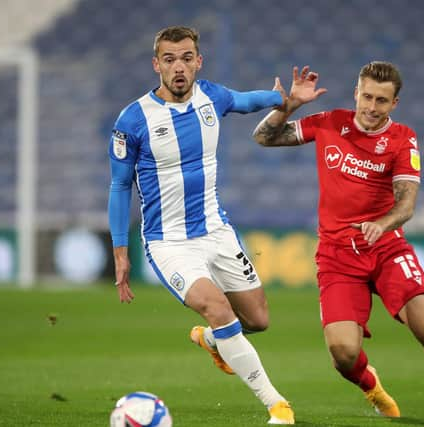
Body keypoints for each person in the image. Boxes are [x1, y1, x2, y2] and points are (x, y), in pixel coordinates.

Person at [252, 63, 424, 422]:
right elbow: (263, 138)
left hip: (386, 248)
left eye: (382, 100)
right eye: (367, 96)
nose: (372, 106)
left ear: (394, 103)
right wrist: (290, 105)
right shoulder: (330, 122)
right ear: (356, 93)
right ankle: (372, 387)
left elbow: (407, 203)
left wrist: (382, 224)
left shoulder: (403, 139)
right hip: (336, 255)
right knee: (343, 354)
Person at [108, 26, 295, 425]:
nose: (179, 66)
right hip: (168, 242)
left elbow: (247, 101)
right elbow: (119, 185)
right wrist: (120, 252)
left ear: (199, 61)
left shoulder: (212, 95)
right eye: (170, 59)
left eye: (187, 57)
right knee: (217, 306)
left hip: (217, 230)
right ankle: (277, 404)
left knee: (258, 320)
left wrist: (284, 98)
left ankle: (210, 339)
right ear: (156, 64)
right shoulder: (133, 119)